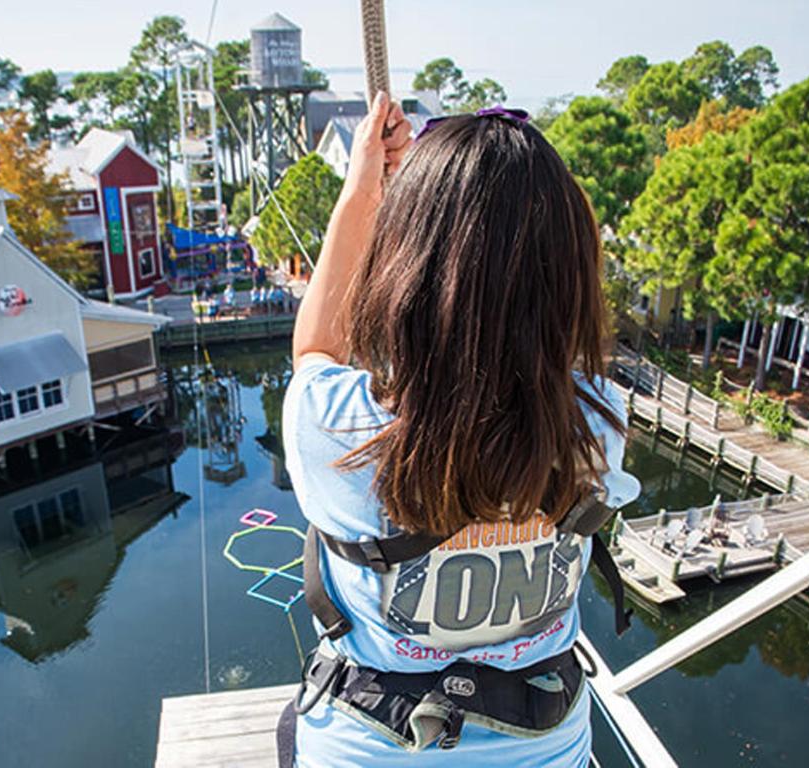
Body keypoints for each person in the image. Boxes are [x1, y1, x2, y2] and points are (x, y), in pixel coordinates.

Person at [281, 93, 640, 768]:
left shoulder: (337, 424)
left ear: (403, 271)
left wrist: (363, 192)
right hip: (546, 746)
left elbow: (316, 348)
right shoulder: (600, 418)